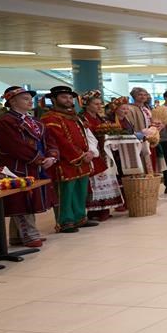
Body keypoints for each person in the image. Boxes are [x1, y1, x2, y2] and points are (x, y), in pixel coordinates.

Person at [0, 87, 59, 247]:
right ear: (12, 102)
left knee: (30, 198)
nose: (30, 101)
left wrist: (52, 156)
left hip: (36, 166)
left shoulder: (35, 120)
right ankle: (29, 235)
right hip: (16, 167)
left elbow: (49, 140)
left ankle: (17, 236)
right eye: (25, 99)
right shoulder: (5, 122)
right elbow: (14, 146)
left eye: (30, 98)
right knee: (21, 199)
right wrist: (39, 159)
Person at [42, 86, 97, 233]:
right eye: (63, 97)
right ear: (53, 99)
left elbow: (85, 135)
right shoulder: (50, 118)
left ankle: (80, 217)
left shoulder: (74, 116)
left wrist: (89, 152)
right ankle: (65, 221)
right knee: (66, 192)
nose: (68, 100)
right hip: (65, 161)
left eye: (69, 97)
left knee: (81, 190)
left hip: (82, 159)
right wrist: (80, 155)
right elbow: (60, 141)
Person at [80, 90, 125, 220]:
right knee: (94, 182)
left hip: (105, 153)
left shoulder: (101, 118)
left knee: (107, 179)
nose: (99, 107)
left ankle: (104, 209)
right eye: (96, 104)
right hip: (92, 153)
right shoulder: (82, 118)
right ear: (87, 105)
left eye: (100, 104)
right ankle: (94, 211)